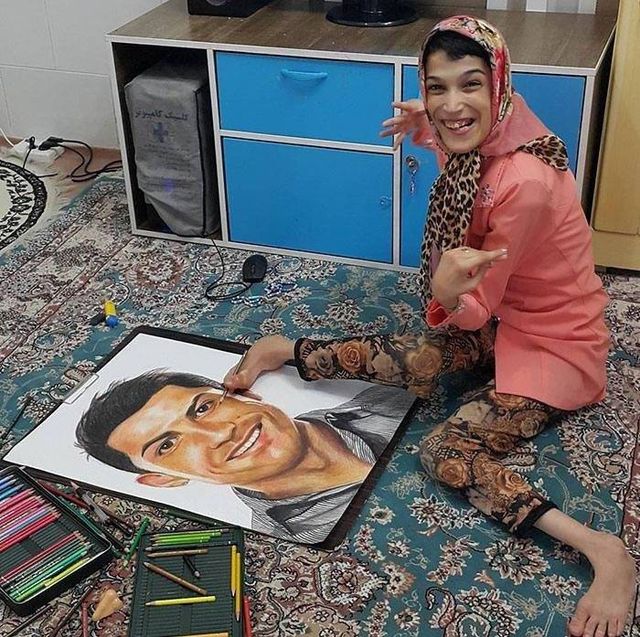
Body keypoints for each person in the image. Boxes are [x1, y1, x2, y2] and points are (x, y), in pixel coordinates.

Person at [222, 16, 635, 637]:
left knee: (444, 452)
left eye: (470, 85)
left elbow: (474, 307)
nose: (452, 104)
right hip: (508, 320)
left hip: (557, 345)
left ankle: (603, 549)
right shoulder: (500, 131)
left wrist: (444, 295)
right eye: (436, 87)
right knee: (418, 356)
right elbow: (471, 143)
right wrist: (433, 122)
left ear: (498, 86)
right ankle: (288, 351)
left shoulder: (522, 181)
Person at [75, 369, 415, 543]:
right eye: (167, 445)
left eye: (204, 407)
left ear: (245, 392)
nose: (220, 433)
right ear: (164, 480)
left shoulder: (386, 400)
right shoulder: (299, 537)